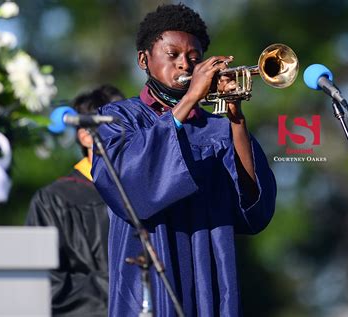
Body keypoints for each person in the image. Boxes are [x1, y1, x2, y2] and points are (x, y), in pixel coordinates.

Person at [92, 4, 277, 316]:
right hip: (146, 277)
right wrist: (191, 97)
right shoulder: (117, 117)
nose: (184, 65)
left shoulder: (217, 129)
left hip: (209, 277)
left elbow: (252, 207)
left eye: (194, 58)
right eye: (173, 54)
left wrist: (236, 119)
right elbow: (128, 185)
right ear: (144, 60)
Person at [25, 84, 124, 316]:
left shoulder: (149, 191)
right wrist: (124, 290)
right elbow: (45, 283)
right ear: (85, 136)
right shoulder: (54, 200)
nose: (126, 132)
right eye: (115, 124)